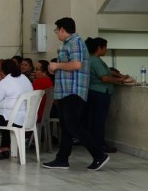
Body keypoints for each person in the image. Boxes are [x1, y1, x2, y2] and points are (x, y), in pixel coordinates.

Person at [43, 17, 109, 171]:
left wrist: (56, 64)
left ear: (62, 30)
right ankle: (62, 159)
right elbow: (70, 63)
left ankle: (99, 155)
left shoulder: (74, 42)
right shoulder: (69, 44)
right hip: (66, 91)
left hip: (73, 91)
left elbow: (77, 64)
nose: (56, 33)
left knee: (73, 125)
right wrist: (55, 67)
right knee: (66, 127)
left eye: (56, 30)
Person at [0, 59, 33, 159]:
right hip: (28, 117)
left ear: (3, 72)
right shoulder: (24, 77)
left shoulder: (6, 81)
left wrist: (0, 82)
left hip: (14, 119)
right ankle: (5, 147)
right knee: (2, 115)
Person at [85, 37, 125, 154]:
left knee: (94, 120)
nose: (106, 50)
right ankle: (100, 144)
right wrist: (118, 81)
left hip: (93, 93)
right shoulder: (95, 61)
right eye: (105, 47)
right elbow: (104, 77)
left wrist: (120, 76)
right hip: (100, 93)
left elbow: (107, 71)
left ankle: (95, 143)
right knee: (99, 121)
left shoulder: (92, 59)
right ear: (99, 48)